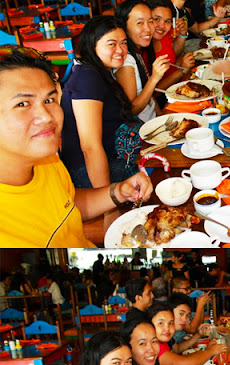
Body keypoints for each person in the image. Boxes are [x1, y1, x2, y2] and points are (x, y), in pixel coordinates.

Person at [0, 47, 153, 248]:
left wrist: (117, 192)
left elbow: (68, 203)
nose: (46, 116)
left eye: (49, 100)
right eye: (22, 104)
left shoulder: (47, 160)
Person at [61, 16, 142, 189]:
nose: (120, 50)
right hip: (92, 171)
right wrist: (107, 197)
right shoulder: (87, 79)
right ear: (92, 46)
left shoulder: (99, 71)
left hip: (116, 155)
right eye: (111, 44)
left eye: (124, 43)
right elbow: (90, 147)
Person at [114, 0, 169, 123]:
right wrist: (154, 78)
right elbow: (132, 110)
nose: (148, 28)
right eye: (140, 23)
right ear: (124, 26)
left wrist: (161, 115)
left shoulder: (137, 52)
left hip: (155, 121)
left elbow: (149, 95)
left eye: (150, 21)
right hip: (143, 129)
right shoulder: (126, 61)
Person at [148, 302, 227, 365]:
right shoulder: (153, 348)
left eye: (171, 323)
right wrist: (211, 351)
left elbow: (177, 349)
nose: (167, 328)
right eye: (160, 323)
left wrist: (199, 337)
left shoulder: (163, 341)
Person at [145, 0, 196, 87]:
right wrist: (181, 70)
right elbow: (154, 90)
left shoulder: (165, 35)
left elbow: (174, 55)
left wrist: (182, 34)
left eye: (167, 21)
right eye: (157, 19)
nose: (162, 26)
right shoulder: (143, 47)